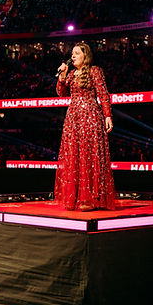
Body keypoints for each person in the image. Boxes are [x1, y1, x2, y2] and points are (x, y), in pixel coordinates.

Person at [54, 43, 116, 211]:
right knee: (74, 154)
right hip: (73, 118)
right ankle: (75, 197)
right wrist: (62, 77)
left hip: (90, 117)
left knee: (89, 155)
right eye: (72, 53)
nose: (72, 56)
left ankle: (91, 198)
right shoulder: (71, 73)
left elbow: (103, 94)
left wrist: (107, 115)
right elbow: (61, 93)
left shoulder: (94, 71)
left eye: (76, 53)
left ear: (85, 55)